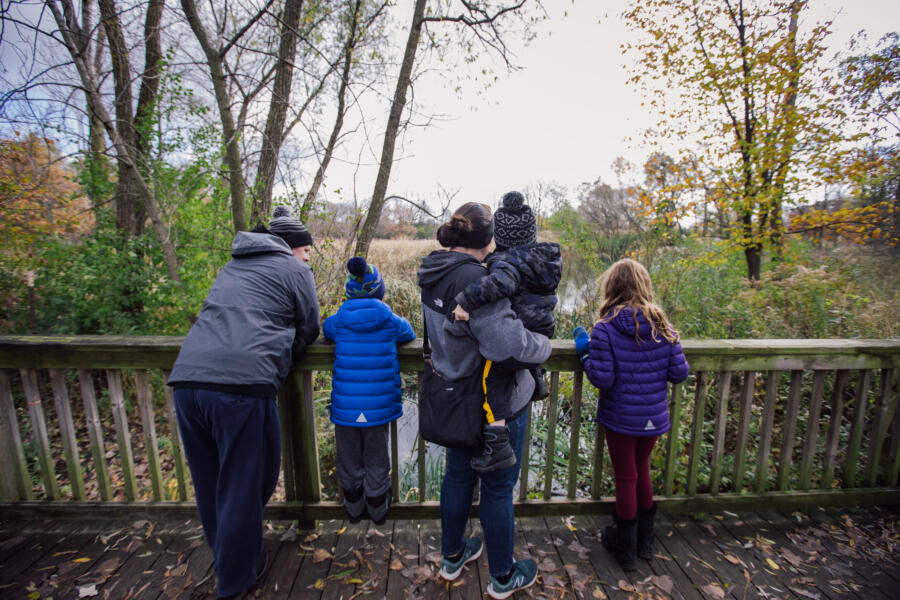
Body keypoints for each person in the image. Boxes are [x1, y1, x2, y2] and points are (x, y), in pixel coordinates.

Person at [167, 206, 320, 599]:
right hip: (242, 386)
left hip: (187, 382)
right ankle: (235, 582)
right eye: (307, 252)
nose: (309, 260)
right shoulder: (294, 270)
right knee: (246, 481)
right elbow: (310, 326)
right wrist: (286, 351)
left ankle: (232, 560)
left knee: (212, 481)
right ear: (294, 248)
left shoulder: (233, 267)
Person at [418, 202, 551, 599]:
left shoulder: (431, 271)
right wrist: (544, 345)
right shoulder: (478, 280)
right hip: (494, 405)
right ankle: (503, 578)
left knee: (457, 477)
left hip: (452, 396)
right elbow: (506, 343)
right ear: (487, 238)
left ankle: (452, 556)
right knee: (496, 488)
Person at [573, 258, 689, 572]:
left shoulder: (606, 327)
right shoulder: (662, 324)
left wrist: (584, 353)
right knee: (641, 469)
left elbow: (604, 379)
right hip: (652, 417)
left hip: (621, 417)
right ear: (643, 285)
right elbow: (679, 372)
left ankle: (625, 546)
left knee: (626, 476)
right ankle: (646, 542)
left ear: (612, 288)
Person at [451, 191, 561, 473]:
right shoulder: (544, 258)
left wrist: (467, 301)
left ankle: (498, 443)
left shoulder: (506, 263)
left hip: (522, 326)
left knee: (496, 372)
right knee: (521, 360)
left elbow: (499, 285)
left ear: (501, 236)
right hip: (542, 325)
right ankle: (537, 378)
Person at [322, 256, 415, 525]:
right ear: (379, 290)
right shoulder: (388, 319)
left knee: (348, 457)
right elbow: (408, 333)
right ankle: (377, 508)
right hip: (378, 407)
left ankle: (353, 508)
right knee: (376, 456)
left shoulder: (339, 320)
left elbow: (326, 330)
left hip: (346, 408)